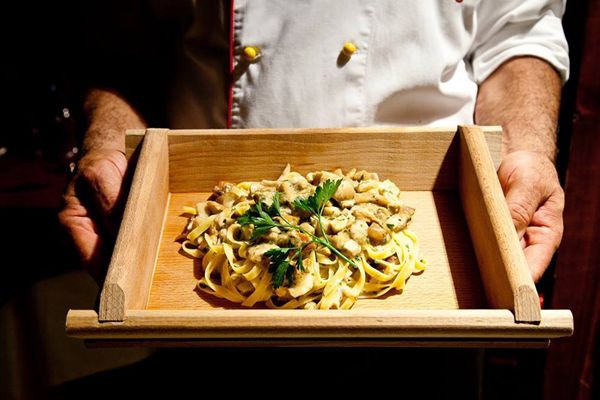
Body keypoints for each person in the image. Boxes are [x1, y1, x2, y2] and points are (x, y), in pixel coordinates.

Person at [56, 1, 568, 398]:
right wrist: (108, 137)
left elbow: (520, 30)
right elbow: (116, 44)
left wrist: (525, 149)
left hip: (431, 312)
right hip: (207, 328)